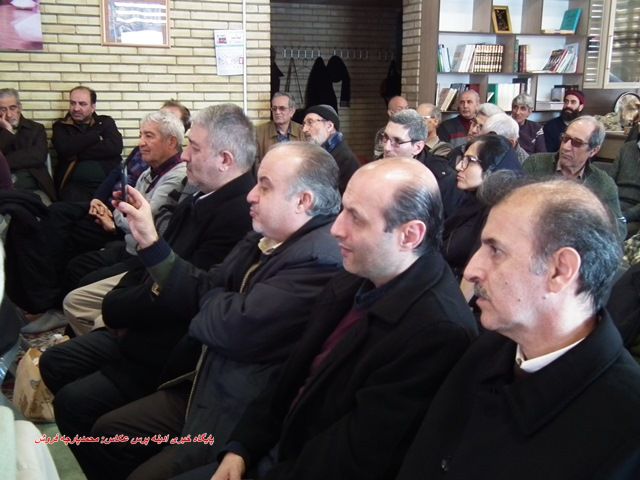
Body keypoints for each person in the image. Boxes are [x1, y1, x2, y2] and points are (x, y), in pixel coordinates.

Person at [43, 141, 344, 480]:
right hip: (204, 380)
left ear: (304, 201)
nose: (252, 195)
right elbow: (206, 287)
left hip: (238, 410)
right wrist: (151, 243)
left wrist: (209, 299)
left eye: (265, 186)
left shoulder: (319, 258)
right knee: (105, 433)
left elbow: (229, 326)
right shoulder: (266, 237)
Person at [212, 158, 478, 480]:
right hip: (271, 448)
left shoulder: (436, 332)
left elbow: (354, 457)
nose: (336, 229)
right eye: (343, 210)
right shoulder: (358, 273)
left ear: (409, 235)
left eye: (356, 218)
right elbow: (292, 372)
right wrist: (242, 445)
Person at [396, 179, 640, 479]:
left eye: (495, 250)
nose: (471, 270)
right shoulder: (488, 349)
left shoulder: (628, 430)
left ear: (560, 270)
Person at [59, 103, 255, 335]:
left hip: (164, 327)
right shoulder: (200, 196)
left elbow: (188, 292)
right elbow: (155, 262)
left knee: (85, 316)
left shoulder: (239, 216)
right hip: (147, 277)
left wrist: (116, 308)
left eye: (193, 147)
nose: (184, 155)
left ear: (224, 160)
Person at [524, 115, 626, 239]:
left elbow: (620, 229)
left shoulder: (603, 183)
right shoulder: (535, 165)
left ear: (593, 151)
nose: (565, 147)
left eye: (577, 143)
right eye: (565, 138)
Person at [445, 134, 521, 278]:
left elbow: (477, 274)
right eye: (463, 159)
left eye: (470, 161)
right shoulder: (472, 201)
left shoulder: (497, 214)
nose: (459, 166)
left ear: (493, 167)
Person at [382, 108, 463, 219]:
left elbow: (450, 224)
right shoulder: (376, 169)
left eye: (397, 141)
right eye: (385, 138)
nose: (386, 148)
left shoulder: (441, 179)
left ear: (418, 147)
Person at [52, 86, 123, 201]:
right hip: (74, 186)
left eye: (82, 104)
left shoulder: (105, 122)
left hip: (109, 183)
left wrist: (77, 152)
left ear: (93, 107)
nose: (76, 108)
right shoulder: (61, 126)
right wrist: (95, 137)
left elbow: (115, 147)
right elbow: (64, 149)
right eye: (72, 103)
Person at [0, 88, 55, 202]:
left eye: (12, 108)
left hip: (35, 187)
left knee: (45, 209)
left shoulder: (36, 128)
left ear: (19, 108)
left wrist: (4, 161)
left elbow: (38, 156)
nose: (9, 114)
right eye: (3, 109)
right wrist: (7, 131)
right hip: (4, 191)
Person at [302, 104, 360, 193]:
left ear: (329, 126)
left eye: (310, 122)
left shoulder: (345, 158)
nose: (304, 129)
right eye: (304, 124)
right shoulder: (318, 153)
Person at [255, 92, 302, 162]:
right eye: (274, 108)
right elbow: (254, 161)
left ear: (292, 111)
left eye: (282, 108)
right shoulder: (258, 132)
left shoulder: (302, 131)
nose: (277, 112)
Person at [610, 139, 640, 237]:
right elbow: (609, 181)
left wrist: (625, 216)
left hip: (634, 214)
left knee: (609, 232)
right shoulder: (626, 148)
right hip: (614, 202)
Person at [373, 95, 409, 159]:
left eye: (406, 108)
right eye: (400, 109)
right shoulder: (383, 133)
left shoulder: (413, 130)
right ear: (390, 113)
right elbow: (378, 158)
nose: (405, 112)